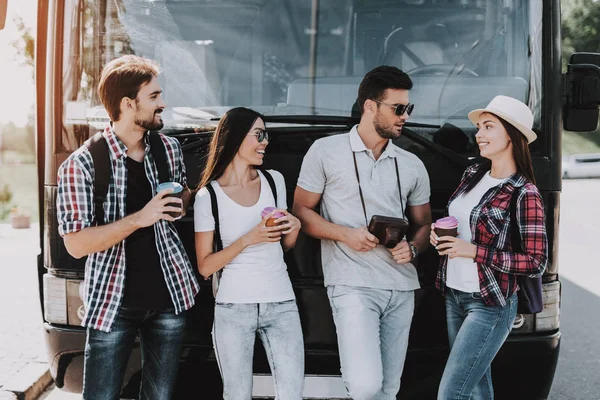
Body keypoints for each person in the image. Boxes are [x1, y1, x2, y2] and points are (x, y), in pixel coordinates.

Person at [56, 55, 199, 399]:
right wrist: (140, 218)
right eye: (154, 97)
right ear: (127, 104)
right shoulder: (82, 165)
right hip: (111, 303)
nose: (163, 104)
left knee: (160, 396)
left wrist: (185, 200)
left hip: (170, 295)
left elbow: (181, 199)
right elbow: (76, 244)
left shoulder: (169, 148)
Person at [293, 65, 432, 400]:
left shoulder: (412, 164)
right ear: (371, 106)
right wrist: (345, 235)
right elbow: (300, 212)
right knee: (365, 385)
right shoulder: (325, 151)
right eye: (398, 109)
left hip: (401, 287)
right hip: (352, 286)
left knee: (388, 389)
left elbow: (425, 224)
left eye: (408, 108)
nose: (405, 117)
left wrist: (413, 248)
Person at [430, 95, 548, 400]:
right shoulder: (472, 175)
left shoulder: (524, 192)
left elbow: (535, 262)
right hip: (454, 294)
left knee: (451, 393)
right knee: (477, 389)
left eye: (488, 126)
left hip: (491, 304)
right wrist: (437, 235)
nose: (478, 134)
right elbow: (460, 223)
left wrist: (473, 252)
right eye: (479, 127)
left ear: (511, 134)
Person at [193, 107, 304, 399]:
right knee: (237, 394)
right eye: (259, 135)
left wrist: (295, 225)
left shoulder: (273, 181)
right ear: (235, 138)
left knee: (292, 393)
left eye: (265, 135)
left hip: (281, 304)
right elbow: (205, 267)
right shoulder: (209, 197)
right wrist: (248, 239)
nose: (265, 142)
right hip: (233, 308)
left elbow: (284, 246)